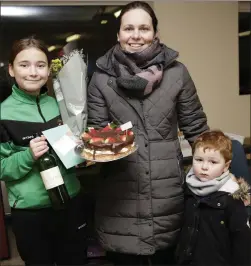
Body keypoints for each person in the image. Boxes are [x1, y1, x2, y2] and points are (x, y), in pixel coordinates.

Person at [87, 1, 209, 265]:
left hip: (168, 194)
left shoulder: (177, 73)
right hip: (120, 197)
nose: (136, 35)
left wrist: (218, 172)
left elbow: (197, 129)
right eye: (128, 28)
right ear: (118, 34)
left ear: (155, 32)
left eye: (144, 28)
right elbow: (96, 132)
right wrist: (96, 145)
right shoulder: (100, 78)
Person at [0, 37, 87, 265]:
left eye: (40, 65)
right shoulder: (3, 113)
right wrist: (28, 155)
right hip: (31, 213)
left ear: (49, 71)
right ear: (11, 69)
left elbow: (73, 155)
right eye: (24, 65)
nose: (33, 72)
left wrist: (84, 152)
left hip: (71, 202)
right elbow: (2, 168)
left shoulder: (62, 105)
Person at [176, 130, 251, 266]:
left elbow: (242, 243)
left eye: (213, 162)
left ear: (226, 166)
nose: (204, 167)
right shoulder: (187, 189)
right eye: (199, 160)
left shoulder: (231, 198)